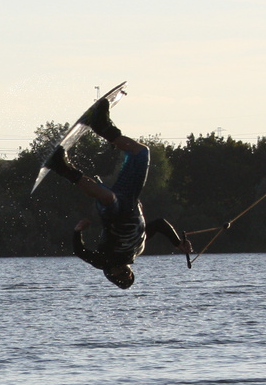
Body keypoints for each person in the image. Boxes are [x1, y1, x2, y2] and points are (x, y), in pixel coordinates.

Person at [42, 94, 191, 289]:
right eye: (126, 273)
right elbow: (160, 224)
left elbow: (80, 252)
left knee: (107, 197)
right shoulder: (138, 249)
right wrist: (177, 243)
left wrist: (77, 231)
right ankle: (102, 126)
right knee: (141, 153)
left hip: (114, 215)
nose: (122, 270)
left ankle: (61, 167)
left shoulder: (103, 261)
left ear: (110, 274)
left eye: (118, 274)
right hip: (130, 198)